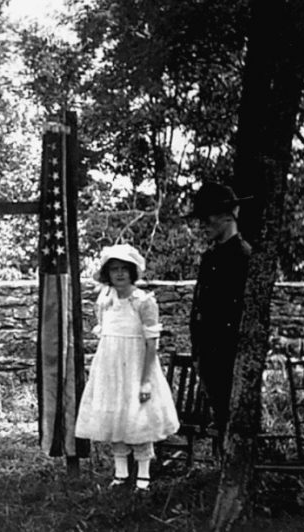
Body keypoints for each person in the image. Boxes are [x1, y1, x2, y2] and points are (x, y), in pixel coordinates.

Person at [75, 244, 180, 491]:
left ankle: (143, 476)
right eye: (114, 270)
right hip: (111, 369)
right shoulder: (105, 301)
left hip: (136, 368)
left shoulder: (143, 302)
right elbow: (106, 337)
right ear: (107, 274)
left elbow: (151, 345)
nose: (119, 274)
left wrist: (145, 380)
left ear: (132, 272)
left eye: (124, 269)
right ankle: (120, 474)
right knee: (115, 418)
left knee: (138, 419)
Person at [187, 181, 252, 440]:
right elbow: (200, 305)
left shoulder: (243, 256)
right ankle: (220, 469)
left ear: (228, 215)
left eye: (208, 216)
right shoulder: (210, 257)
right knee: (218, 413)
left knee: (231, 415)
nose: (204, 224)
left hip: (230, 351)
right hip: (208, 350)